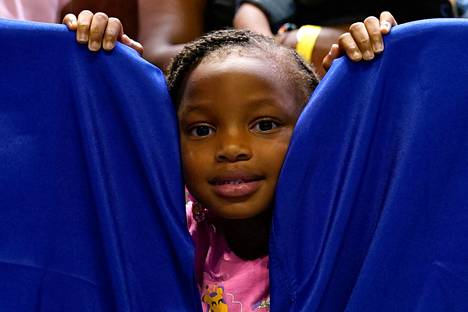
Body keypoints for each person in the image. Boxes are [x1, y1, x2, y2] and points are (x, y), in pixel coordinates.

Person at [63, 11, 396, 311]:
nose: (231, 148)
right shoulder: (167, 227)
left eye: (265, 125)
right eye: (202, 129)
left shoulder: (343, 223)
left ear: (314, 130)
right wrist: (102, 65)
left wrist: (378, 62)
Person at [234, 0, 452, 75]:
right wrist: (275, 61)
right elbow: (251, 14)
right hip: (313, 61)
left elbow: (445, 38)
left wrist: (396, 40)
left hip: (409, 58)